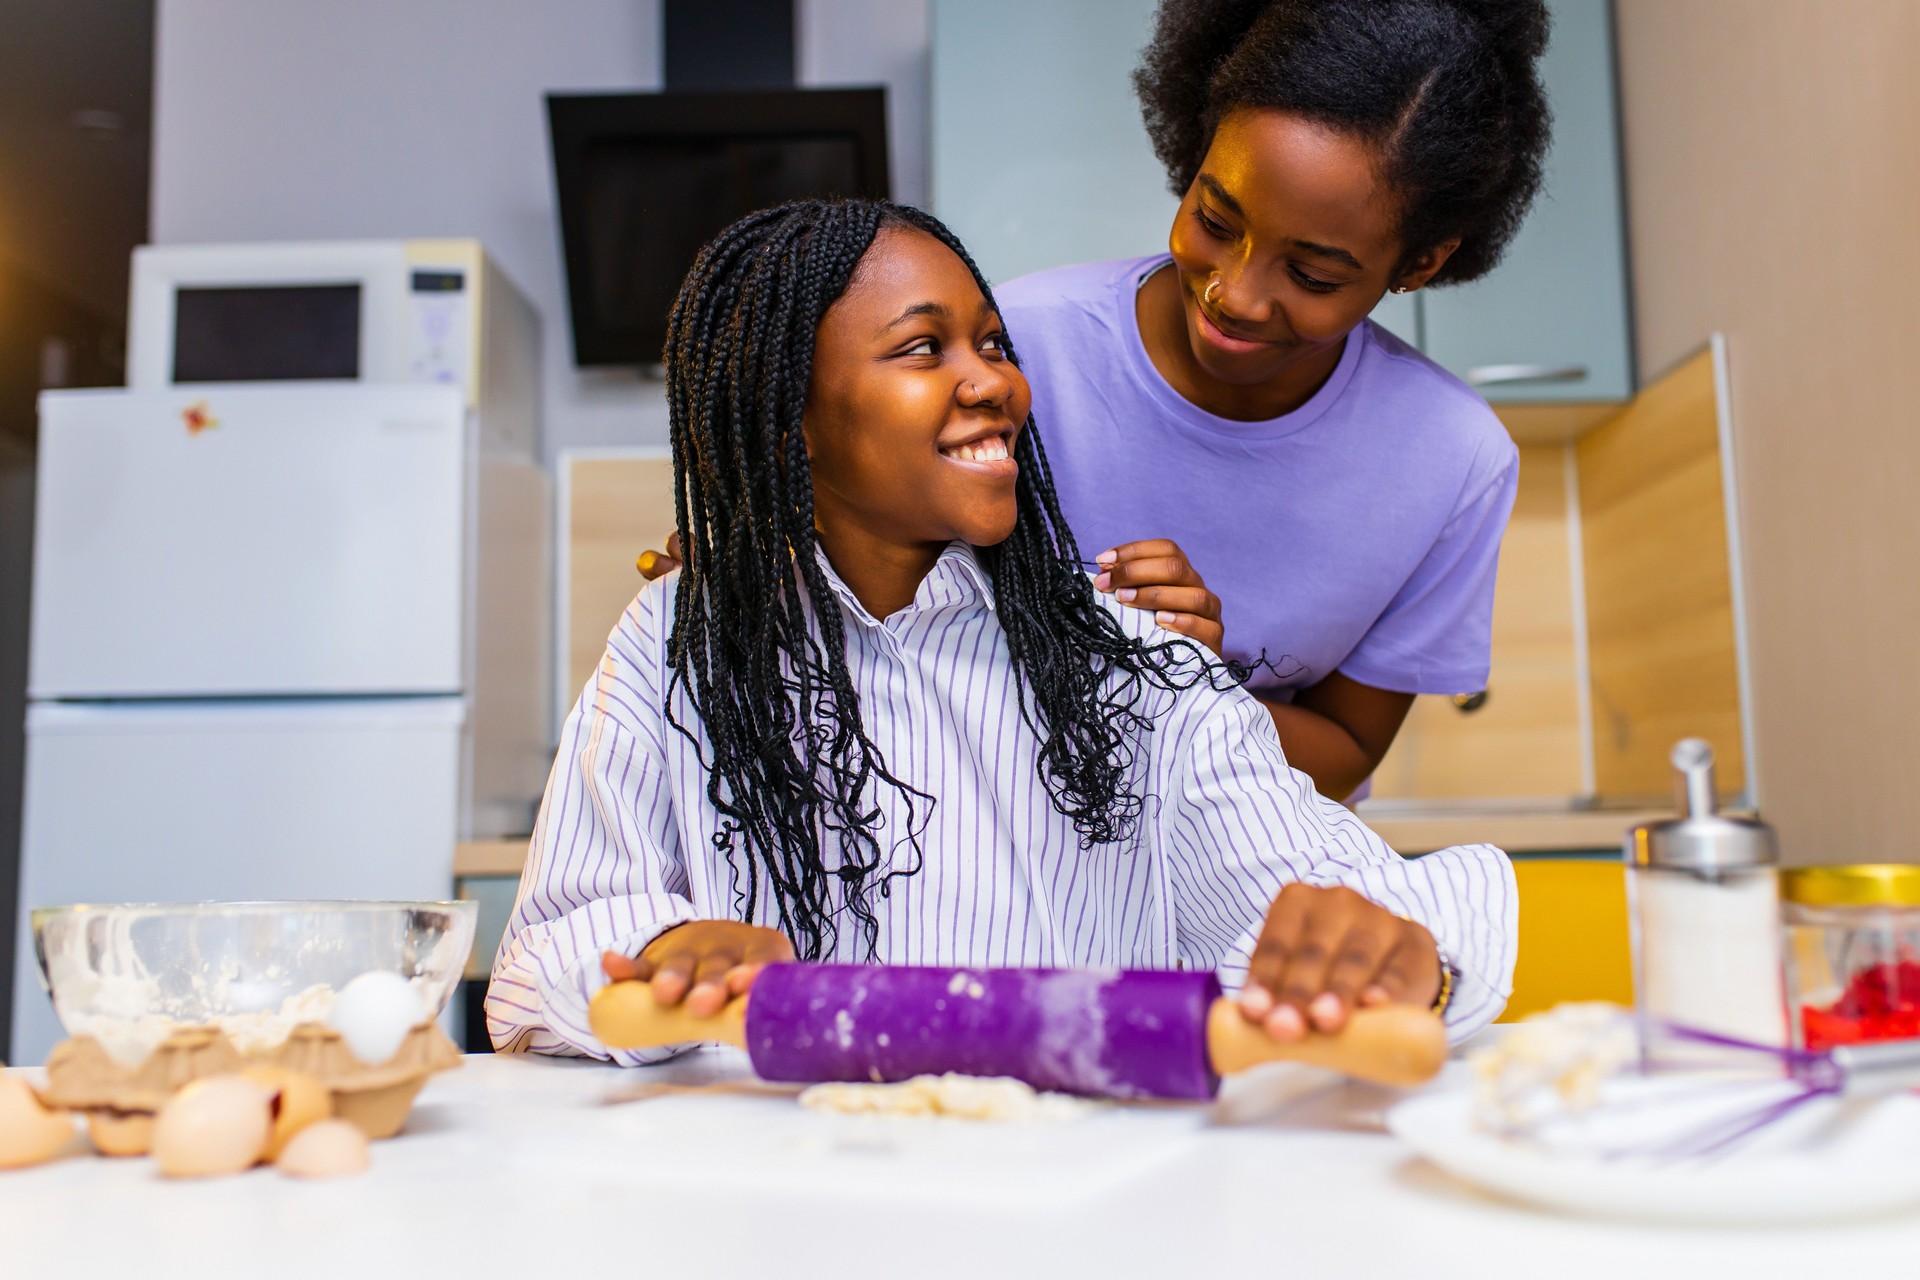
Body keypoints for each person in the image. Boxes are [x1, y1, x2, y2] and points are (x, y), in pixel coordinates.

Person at [486, 198, 1515, 1065]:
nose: (995, 383)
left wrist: (1402, 952)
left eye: (990, 343)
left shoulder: (1128, 657)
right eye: (924, 348)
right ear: (786, 413)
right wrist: (665, 957)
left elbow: (1353, 900)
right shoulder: (680, 638)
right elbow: (538, 965)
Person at [987, 0, 1552, 802]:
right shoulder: (1016, 349)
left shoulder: (1453, 460)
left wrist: (1194, 685)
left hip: (1247, 881)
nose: (1235, 295)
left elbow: (1347, 749)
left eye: (1313, 275)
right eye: (1216, 220)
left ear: (1419, 263)